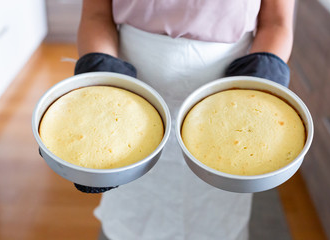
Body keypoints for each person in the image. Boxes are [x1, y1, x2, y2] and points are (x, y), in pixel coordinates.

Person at [73, 0, 295, 239]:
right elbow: (96, 15)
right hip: (130, 88)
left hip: (230, 97)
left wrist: (258, 84)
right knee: (133, 208)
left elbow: (276, 22)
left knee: (216, 212)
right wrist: (103, 89)